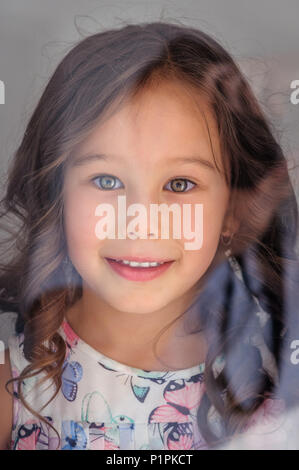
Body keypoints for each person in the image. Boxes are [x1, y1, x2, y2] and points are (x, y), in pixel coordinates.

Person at [0, 21, 298, 451]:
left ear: (232, 211)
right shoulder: (12, 378)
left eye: (179, 184)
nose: (141, 221)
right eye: (106, 181)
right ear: (57, 197)